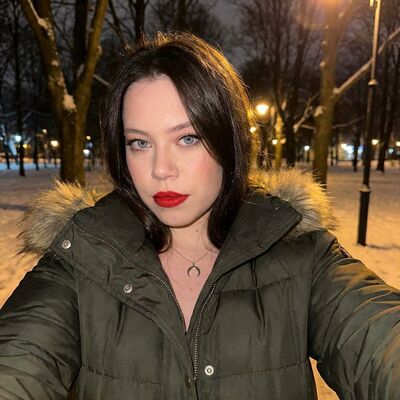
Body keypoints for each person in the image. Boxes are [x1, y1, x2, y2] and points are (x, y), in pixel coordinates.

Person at [0, 32, 400, 400]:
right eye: (139, 143)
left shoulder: (298, 250)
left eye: (188, 138)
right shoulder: (82, 255)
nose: (161, 170)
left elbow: (380, 340)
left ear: (229, 139)